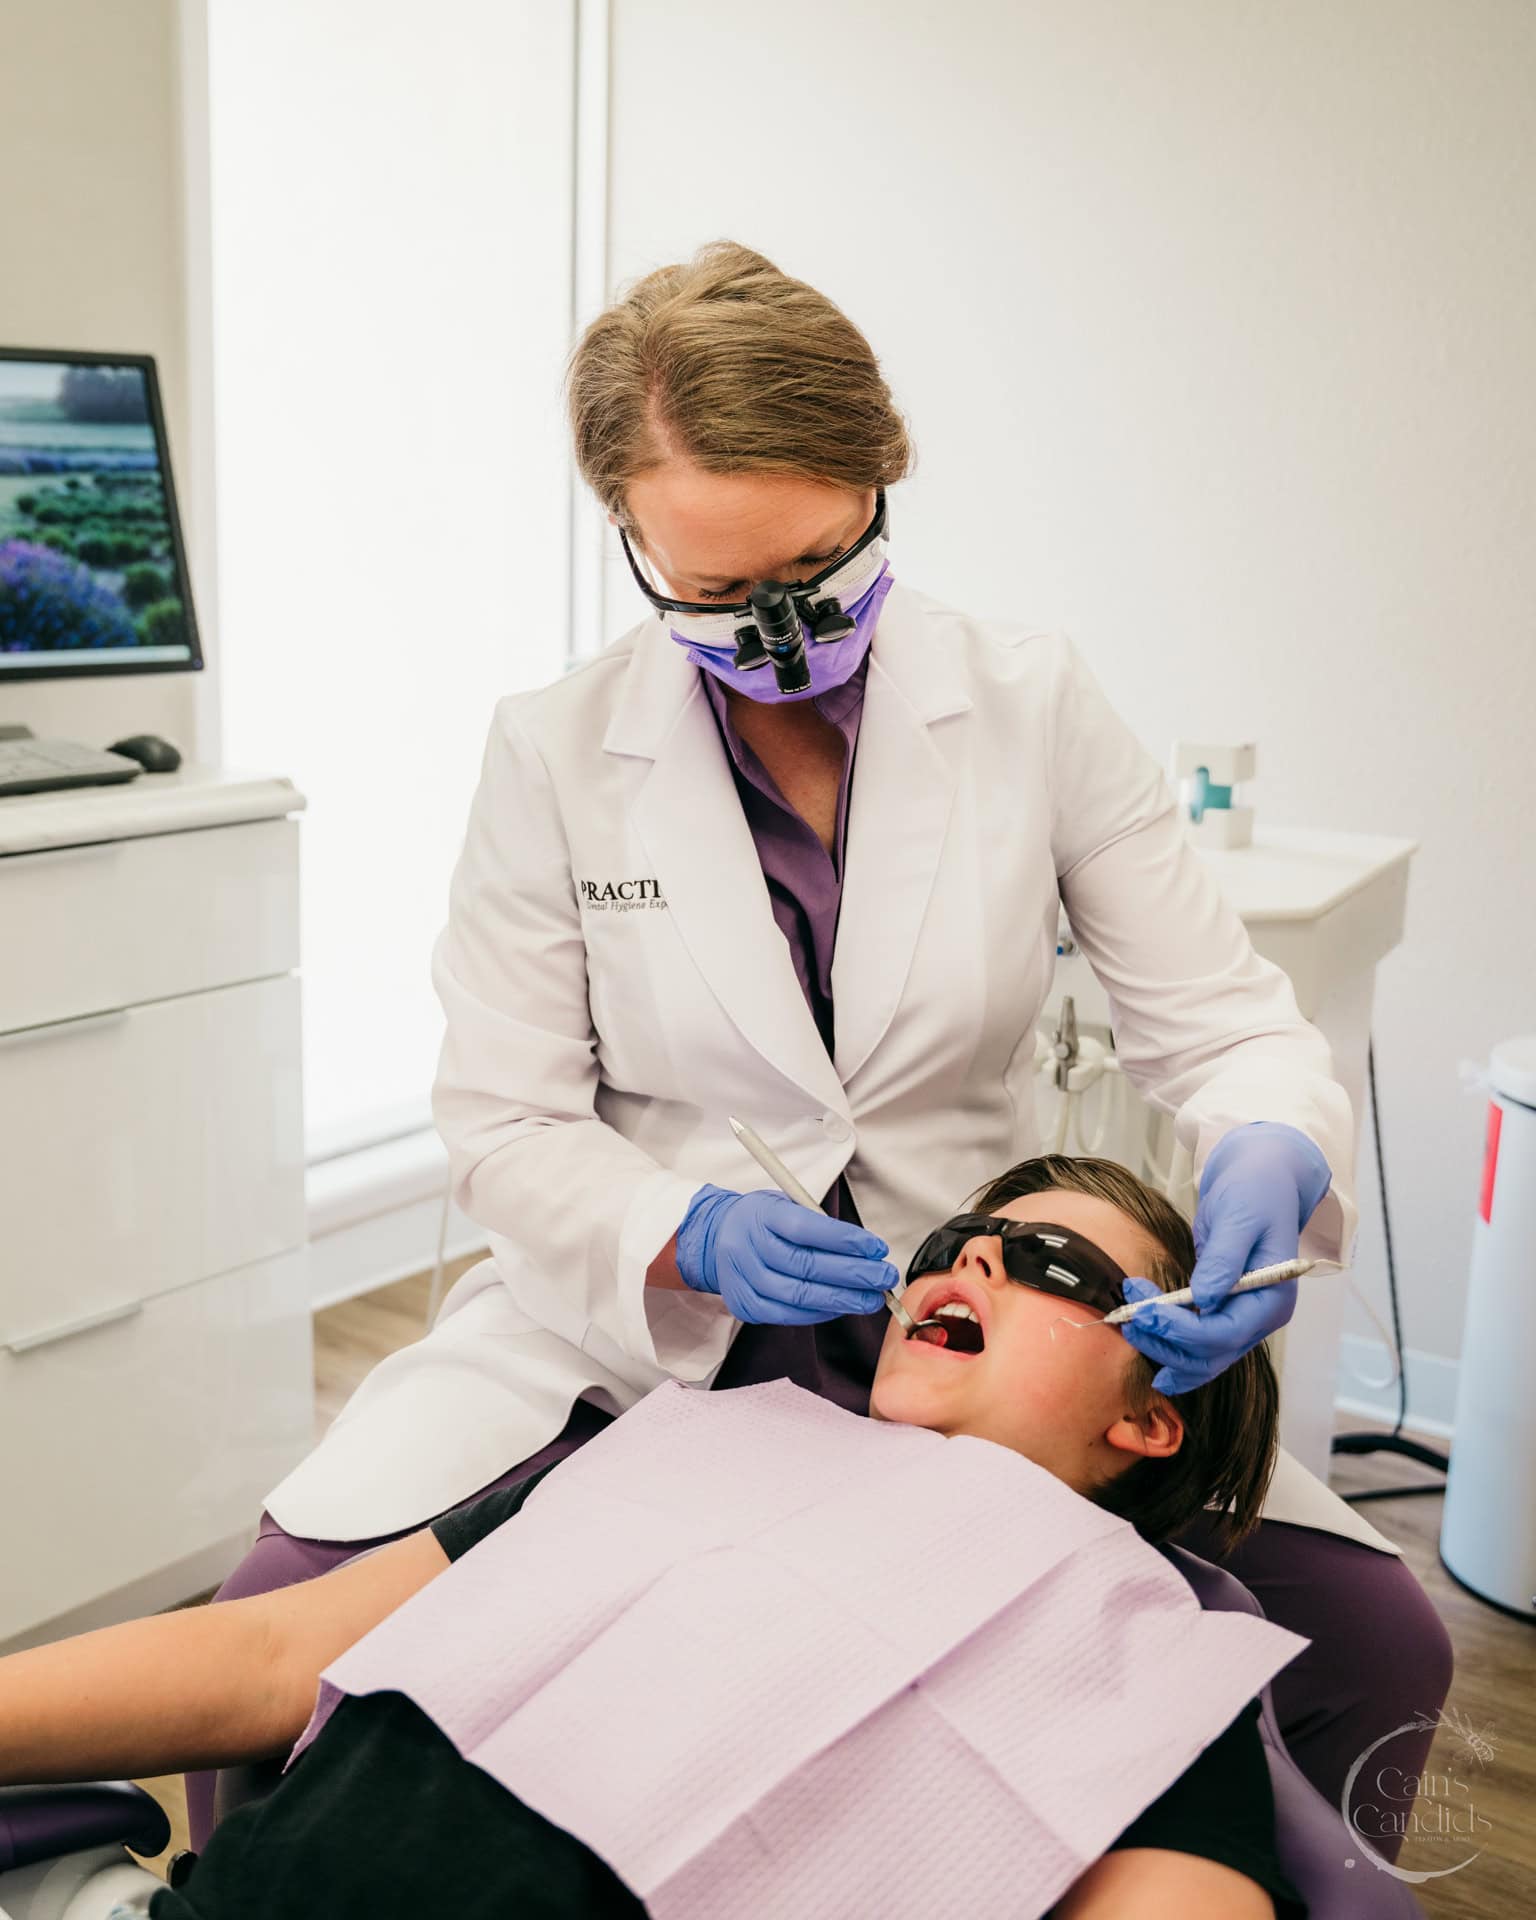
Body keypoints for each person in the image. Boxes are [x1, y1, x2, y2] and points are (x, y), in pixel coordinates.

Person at [186, 240, 1450, 1849]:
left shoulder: (1029, 701)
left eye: (820, 565)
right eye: (714, 593)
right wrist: (678, 1227)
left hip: (955, 1323)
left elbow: (1225, 1026)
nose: (780, 632)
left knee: (1376, 1636)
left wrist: (1273, 1138)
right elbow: (503, 1118)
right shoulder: (558, 752)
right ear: (630, 542)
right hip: (642, 1328)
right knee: (284, 1611)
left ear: (882, 482)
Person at [6, 1161, 1313, 1919]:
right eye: (958, 1242)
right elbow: (271, 1654)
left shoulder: (1153, 1670)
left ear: (1155, 1416)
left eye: (1052, 1268)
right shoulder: (685, 1446)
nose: (967, 1266)